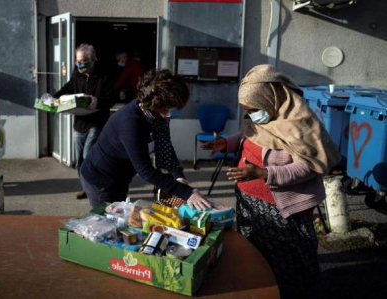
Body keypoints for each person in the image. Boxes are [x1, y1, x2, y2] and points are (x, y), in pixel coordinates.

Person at [202, 64, 341, 299]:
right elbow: (250, 136)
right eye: (247, 109)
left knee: (289, 263)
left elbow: (310, 166)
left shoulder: (299, 125)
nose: (252, 114)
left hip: (283, 210)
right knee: (255, 256)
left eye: (253, 108)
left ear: (272, 97)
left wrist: (264, 174)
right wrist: (228, 144)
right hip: (249, 200)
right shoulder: (264, 116)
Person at [80, 69, 211, 211]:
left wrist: (178, 176)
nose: (177, 110)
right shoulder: (129, 123)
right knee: (108, 224)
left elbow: (164, 144)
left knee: (120, 219)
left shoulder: (157, 115)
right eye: (175, 107)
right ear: (160, 105)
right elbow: (145, 170)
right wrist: (187, 193)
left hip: (121, 176)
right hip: (100, 179)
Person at [54, 44, 114, 200]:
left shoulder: (105, 76)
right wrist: (54, 97)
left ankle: (95, 188)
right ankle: (86, 188)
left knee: (89, 156)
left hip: (97, 123)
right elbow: (68, 87)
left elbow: (112, 98)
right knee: (80, 159)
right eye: (77, 61)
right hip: (79, 123)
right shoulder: (77, 74)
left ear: (92, 61)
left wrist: (98, 102)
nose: (79, 65)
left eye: (83, 61)